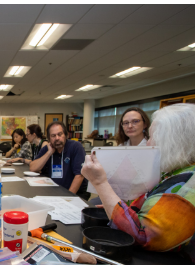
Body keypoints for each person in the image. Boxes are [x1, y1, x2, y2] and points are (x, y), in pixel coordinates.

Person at [82, 103, 195, 254]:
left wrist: (99, 183)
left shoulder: (186, 189)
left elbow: (142, 237)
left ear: (172, 143)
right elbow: (146, 202)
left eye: (153, 137)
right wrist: (120, 208)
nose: (148, 142)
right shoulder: (176, 171)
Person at [30, 121, 89, 200]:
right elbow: (33, 168)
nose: (57, 138)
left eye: (60, 134)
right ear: (49, 138)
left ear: (65, 135)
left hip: (75, 194)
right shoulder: (48, 148)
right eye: (53, 135)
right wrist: (49, 153)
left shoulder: (75, 147)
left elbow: (79, 175)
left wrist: (67, 198)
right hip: (54, 192)